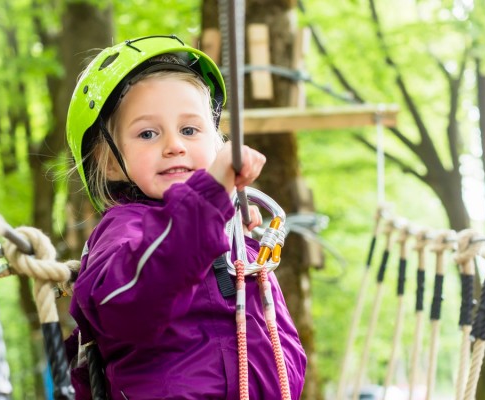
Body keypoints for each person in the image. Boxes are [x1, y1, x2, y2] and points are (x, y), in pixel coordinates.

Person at [64, 35, 306, 399]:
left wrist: (220, 222)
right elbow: (134, 301)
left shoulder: (232, 236)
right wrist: (208, 203)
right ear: (111, 162)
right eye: (148, 133)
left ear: (217, 142)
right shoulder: (124, 232)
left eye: (190, 130)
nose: (174, 145)